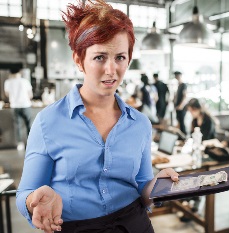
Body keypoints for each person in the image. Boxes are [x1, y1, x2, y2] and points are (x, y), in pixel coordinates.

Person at [16, 1, 179, 233]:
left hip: (134, 225)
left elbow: (142, 185)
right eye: (100, 57)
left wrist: (157, 186)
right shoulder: (48, 122)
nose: (111, 70)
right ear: (78, 59)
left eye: (120, 57)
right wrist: (34, 201)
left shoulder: (140, 124)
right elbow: (24, 193)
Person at [4, 67, 33, 148]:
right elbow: (30, 95)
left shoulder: (8, 82)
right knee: (29, 125)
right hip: (26, 105)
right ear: (19, 72)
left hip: (15, 106)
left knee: (17, 125)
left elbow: (7, 94)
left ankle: (20, 144)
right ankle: (31, 143)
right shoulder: (25, 81)